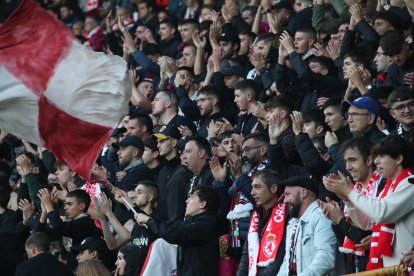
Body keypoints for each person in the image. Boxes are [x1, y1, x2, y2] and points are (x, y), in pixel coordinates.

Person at [323, 135, 414, 270]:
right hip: (391, 268)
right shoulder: (389, 187)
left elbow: (382, 213)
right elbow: (368, 223)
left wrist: (350, 192)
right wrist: (347, 199)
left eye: (381, 156)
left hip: (406, 268)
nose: (376, 162)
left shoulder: (410, 182)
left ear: (399, 159)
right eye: (375, 157)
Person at [136, 186, 220, 276]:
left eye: (191, 197)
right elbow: (169, 229)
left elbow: (173, 233)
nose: (186, 201)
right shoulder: (190, 222)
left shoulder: (207, 224)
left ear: (202, 204)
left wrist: (149, 221)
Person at [277, 176, 337, 275]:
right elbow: (287, 263)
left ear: (304, 193)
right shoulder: (292, 224)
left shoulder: (321, 216)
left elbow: (326, 260)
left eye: (287, 194)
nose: (284, 201)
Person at [237, 169, 286, 275]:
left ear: (273, 188)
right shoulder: (256, 215)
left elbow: (280, 255)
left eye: (257, 187)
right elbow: (247, 253)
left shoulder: (287, 215)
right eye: (252, 187)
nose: (252, 193)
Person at [37, 188, 102, 246]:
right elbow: (40, 235)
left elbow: (58, 226)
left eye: (69, 204)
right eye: (65, 204)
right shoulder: (71, 223)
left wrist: (48, 204)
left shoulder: (86, 223)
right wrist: (44, 213)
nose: (65, 208)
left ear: (81, 206)